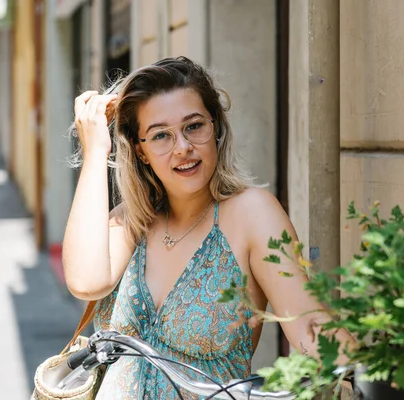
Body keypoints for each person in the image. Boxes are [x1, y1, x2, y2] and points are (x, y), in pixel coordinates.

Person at [63, 56, 354, 399]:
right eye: (160, 136)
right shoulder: (134, 219)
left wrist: (376, 370)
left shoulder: (251, 214)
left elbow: (310, 330)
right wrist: (96, 151)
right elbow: (86, 281)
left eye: (194, 126)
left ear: (215, 127)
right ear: (140, 151)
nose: (183, 147)